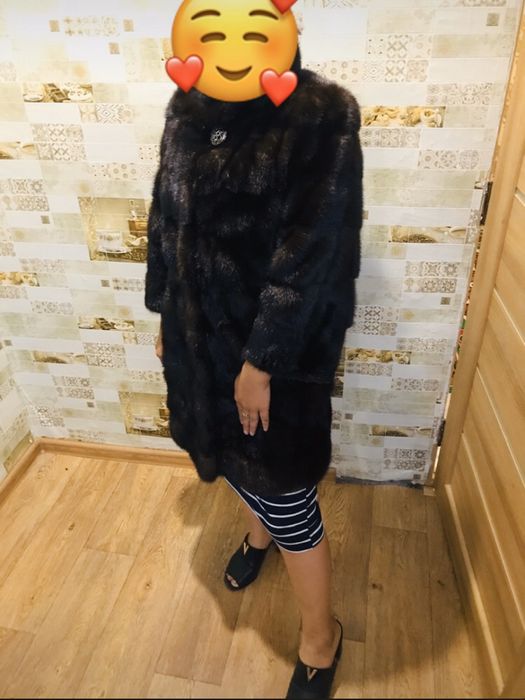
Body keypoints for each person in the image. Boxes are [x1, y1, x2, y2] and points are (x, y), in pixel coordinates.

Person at [145, 44, 363, 699]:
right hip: (199, 342)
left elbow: (314, 253)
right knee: (233, 462)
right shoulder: (190, 105)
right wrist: (167, 311)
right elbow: (165, 217)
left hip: (276, 350)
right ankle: (255, 534)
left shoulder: (318, 116)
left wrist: (261, 361)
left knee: (286, 491)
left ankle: (321, 638)